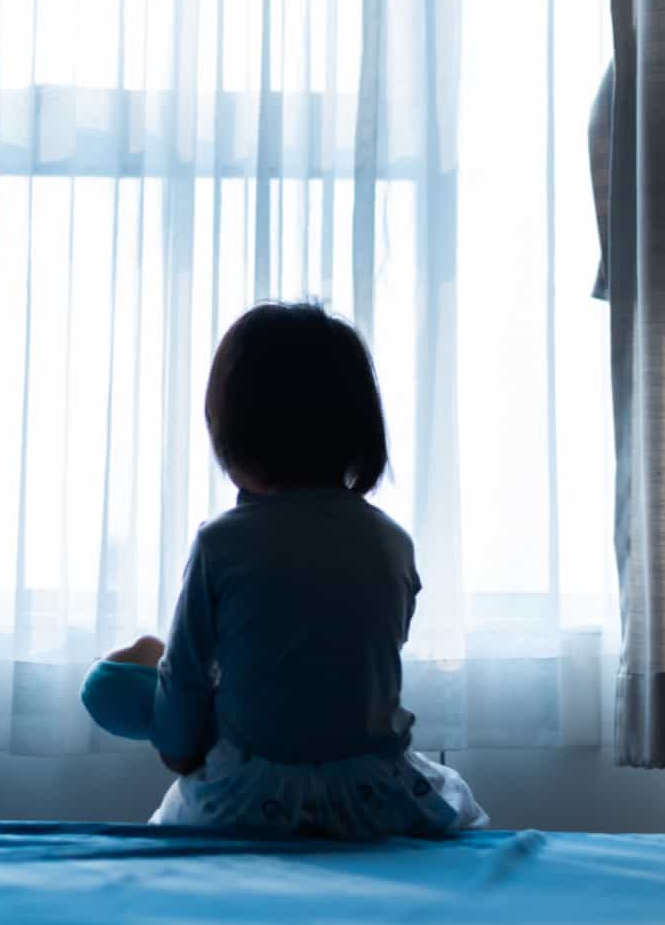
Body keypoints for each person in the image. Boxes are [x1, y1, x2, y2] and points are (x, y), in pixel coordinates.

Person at [81, 301, 487, 838]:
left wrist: (182, 753)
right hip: (371, 800)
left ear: (231, 431)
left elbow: (182, 700)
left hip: (248, 802)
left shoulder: (220, 544)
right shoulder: (392, 543)